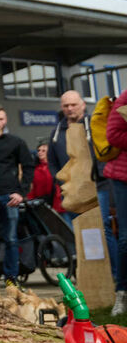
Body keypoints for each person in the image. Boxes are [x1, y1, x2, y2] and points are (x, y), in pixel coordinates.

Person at [49, 90, 120, 300]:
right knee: (79, 233)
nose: (70, 109)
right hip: (73, 189)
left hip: (100, 185)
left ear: (82, 104)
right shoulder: (57, 132)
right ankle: (89, 277)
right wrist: (61, 180)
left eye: (73, 105)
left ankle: (114, 275)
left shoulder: (95, 125)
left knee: (104, 228)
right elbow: (53, 162)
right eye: (66, 106)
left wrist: (101, 177)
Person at [0, 106, 35, 287]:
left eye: (0, 119)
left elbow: (28, 166)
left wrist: (21, 192)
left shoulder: (15, 142)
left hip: (10, 197)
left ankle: (12, 279)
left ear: (6, 120)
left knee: (11, 239)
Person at [99, 88, 127, 316]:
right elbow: (113, 135)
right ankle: (121, 293)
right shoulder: (125, 98)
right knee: (126, 237)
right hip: (124, 178)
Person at [26, 142, 64, 214]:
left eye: (43, 151)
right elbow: (32, 187)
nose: (40, 152)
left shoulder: (56, 168)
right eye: (39, 150)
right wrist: (31, 200)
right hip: (40, 203)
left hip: (56, 203)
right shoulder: (35, 169)